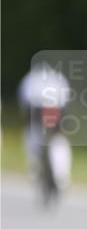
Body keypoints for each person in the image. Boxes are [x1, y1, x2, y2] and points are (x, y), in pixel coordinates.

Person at [18, 62, 72, 203]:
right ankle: (61, 175)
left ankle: (35, 168)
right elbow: (66, 101)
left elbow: (23, 103)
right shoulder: (58, 78)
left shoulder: (29, 79)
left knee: (32, 134)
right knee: (59, 139)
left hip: (38, 110)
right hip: (54, 110)